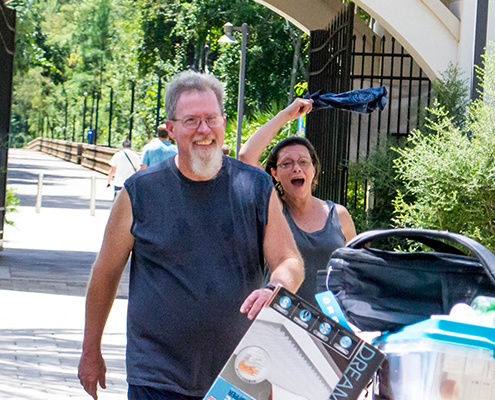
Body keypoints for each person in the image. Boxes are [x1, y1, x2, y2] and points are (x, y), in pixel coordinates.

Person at [78, 71, 304, 400]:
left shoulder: (255, 187)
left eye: (211, 119)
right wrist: (90, 350)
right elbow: (106, 272)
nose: (204, 130)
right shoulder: (139, 192)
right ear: (171, 129)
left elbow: (288, 260)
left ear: (223, 122)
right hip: (156, 375)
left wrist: (276, 288)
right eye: (191, 120)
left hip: (239, 373)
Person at [237, 98, 356, 302]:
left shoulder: (339, 215)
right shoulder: (273, 208)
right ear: (274, 174)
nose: (296, 168)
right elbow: (246, 155)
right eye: (287, 163)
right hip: (280, 320)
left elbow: (357, 270)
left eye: (303, 162)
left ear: (313, 170)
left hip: (330, 325)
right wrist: (287, 114)